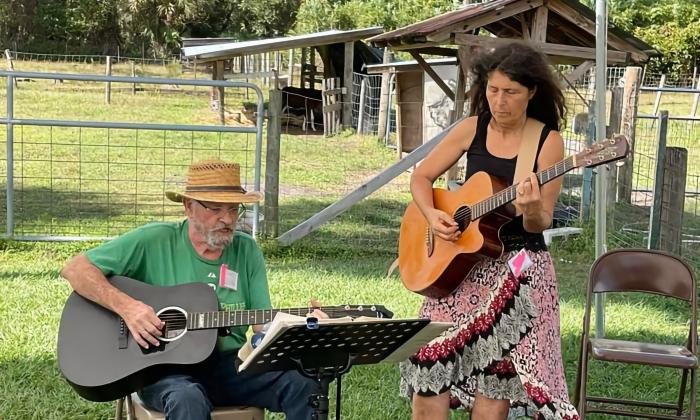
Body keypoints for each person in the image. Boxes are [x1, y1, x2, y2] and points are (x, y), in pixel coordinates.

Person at [61, 159, 322, 420]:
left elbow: (262, 326)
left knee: (303, 384)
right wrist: (128, 308)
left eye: (234, 209)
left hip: (228, 366)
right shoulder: (154, 240)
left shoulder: (247, 250)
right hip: (163, 371)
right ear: (189, 207)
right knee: (187, 398)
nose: (228, 219)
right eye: (216, 209)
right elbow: (75, 269)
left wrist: (303, 325)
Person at [400, 42, 579, 420]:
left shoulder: (548, 143)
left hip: (517, 272)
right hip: (461, 269)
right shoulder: (471, 128)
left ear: (531, 92)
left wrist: (530, 210)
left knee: (494, 381)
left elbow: (540, 221)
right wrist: (432, 215)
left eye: (511, 92)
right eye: (493, 90)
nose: (499, 101)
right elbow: (422, 176)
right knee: (428, 365)